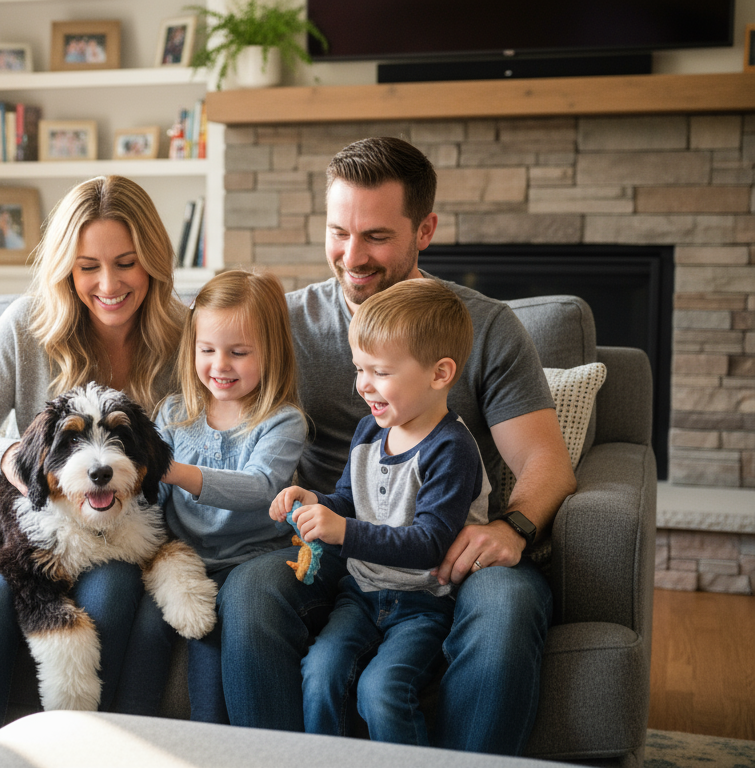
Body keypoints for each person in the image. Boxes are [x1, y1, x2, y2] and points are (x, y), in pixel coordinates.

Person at [219, 136, 577, 755]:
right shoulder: (284, 325)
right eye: (339, 232)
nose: (352, 256)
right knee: (249, 592)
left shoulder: (484, 326)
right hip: (335, 542)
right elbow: (208, 402)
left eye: (377, 237)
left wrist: (513, 527)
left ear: (425, 230)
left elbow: (544, 459)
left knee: (509, 605)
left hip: (447, 549)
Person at [0, 175, 186, 767]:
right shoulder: (29, 325)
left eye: (126, 263)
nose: (109, 285)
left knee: (115, 588)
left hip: (122, 535)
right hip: (16, 536)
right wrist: (10, 459)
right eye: (88, 266)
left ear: (154, 261)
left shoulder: (186, 335)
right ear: (66, 268)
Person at [269, 278, 489, 744]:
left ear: (440, 373)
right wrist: (314, 502)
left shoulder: (451, 449)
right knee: (320, 673)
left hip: (425, 604)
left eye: (380, 372)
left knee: (381, 690)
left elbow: (430, 543)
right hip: (361, 594)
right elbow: (348, 501)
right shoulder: (369, 432)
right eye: (359, 369)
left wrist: (343, 531)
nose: (363, 385)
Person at [132, 269, 306, 723]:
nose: (220, 365)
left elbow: (260, 486)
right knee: (146, 629)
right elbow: (153, 500)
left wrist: (176, 471)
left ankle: (220, 744)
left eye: (238, 352)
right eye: (207, 350)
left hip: (250, 559)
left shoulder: (282, 421)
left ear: (271, 352)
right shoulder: (174, 413)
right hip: (185, 561)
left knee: (210, 645)